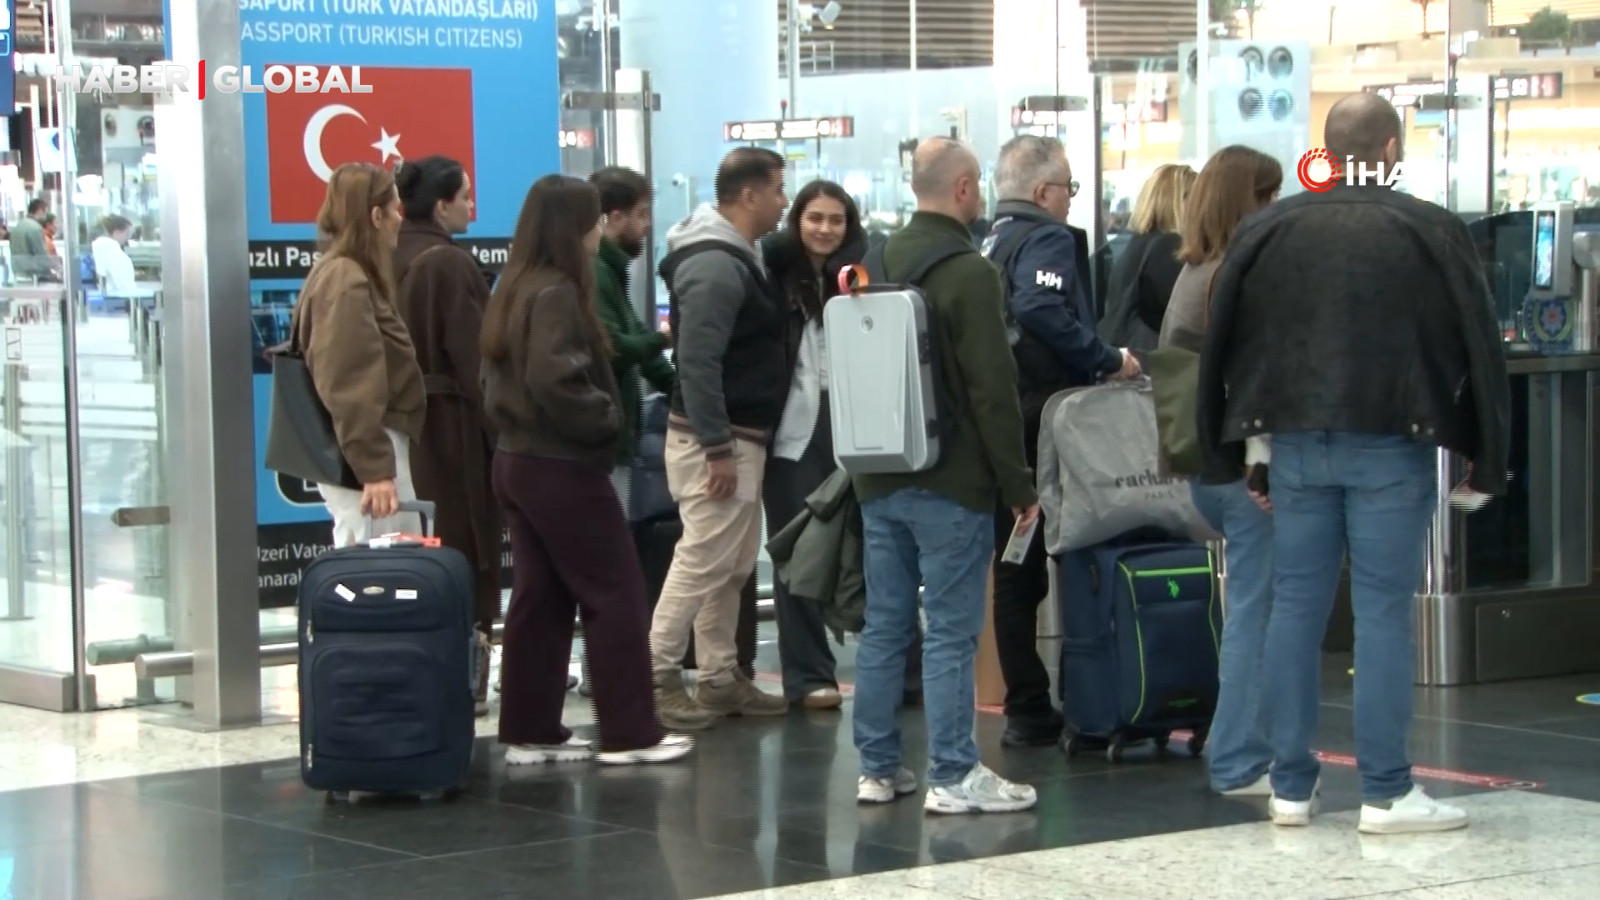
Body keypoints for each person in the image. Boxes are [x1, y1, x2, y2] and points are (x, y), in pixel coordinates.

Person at [1199, 94, 1510, 833]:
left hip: (1296, 446)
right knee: (1381, 617)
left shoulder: (1268, 228)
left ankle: (1290, 787)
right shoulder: (1430, 228)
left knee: (1294, 611)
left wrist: (1243, 452)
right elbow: (1477, 343)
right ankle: (1387, 791)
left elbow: (1231, 344)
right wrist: (1487, 456)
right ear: (1391, 149)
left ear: (1327, 151)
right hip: (1394, 442)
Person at [852, 136, 1039, 814]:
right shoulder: (969, 273)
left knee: (885, 626)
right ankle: (954, 772)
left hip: (878, 474)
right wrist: (1018, 485)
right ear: (962, 187)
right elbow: (993, 390)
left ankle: (877, 768)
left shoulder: (872, 262)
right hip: (952, 482)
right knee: (953, 631)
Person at [481, 174, 691, 766]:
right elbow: (557, 378)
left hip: (518, 458)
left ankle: (530, 728)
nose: (600, 230)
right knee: (616, 591)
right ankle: (630, 732)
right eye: (594, 220)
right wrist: (606, 417)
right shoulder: (557, 292)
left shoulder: (514, 285)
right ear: (574, 227)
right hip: (562, 463)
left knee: (540, 597)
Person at [981, 134, 1139, 748]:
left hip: (1006, 419)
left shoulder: (992, 239)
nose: (1071, 197)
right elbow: (1041, 307)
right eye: (1068, 186)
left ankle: (1027, 707)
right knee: (1077, 551)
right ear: (1043, 191)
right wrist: (1105, 358)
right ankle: (1088, 694)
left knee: (1015, 564)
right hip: (1050, 419)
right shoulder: (1046, 237)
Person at [649, 148, 792, 726]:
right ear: (750, 195)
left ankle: (718, 677)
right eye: (778, 190)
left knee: (730, 565)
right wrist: (716, 448)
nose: (784, 201)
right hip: (718, 441)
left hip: (737, 436)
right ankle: (655, 673)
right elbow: (698, 363)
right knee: (703, 559)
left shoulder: (738, 256)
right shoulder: (715, 266)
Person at [1156, 145, 1282, 797]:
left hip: (1202, 464)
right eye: (1270, 196)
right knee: (1256, 613)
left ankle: (1241, 749)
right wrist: (1263, 466)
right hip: (1241, 469)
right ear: (1248, 201)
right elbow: (1256, 377)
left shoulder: (1192, 271)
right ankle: (1239, 759)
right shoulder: (1237, 276)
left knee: (1251, 609)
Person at [392, 155, 503, 716]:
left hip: (400, 426)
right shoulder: (450, 264)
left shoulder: (383, 253)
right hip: (450, 427)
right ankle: (466, 678)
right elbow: (475, 360)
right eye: (466, 196)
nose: (472, 207)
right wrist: (503, 428)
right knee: (465, 550)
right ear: (442, 205)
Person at [293, 162, 425, 546]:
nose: (401, 219)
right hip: (368, 456)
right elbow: (349, 380)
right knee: (387, 565)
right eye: (395, 209)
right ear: (376, 216)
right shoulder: (345, 278)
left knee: (379, 560)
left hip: (365, 452)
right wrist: (375, 468)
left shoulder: (341, 272)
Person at [589, 166, 676, 511]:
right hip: (601, 438)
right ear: (614, 218)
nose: (647, 225)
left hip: (614, 435)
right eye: (641, 214)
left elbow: (639, 341)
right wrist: (664, 339)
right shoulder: (596, 272)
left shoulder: (612, 271)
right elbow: (614, 347)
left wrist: (683, 393)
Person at [1100, 163, 1195, 349]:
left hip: (1124, 347)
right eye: (1197, 199)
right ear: (1180, 202)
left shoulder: (1138, 242)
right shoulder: (1168, 246)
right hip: (1150, 355)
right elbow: (1182, 314)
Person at [91, 215, 138, 296]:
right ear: (116, 232)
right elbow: (124, 284)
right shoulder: (114, 254)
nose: (127, 238)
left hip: (106, 295)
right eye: (127, 233)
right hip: (117, 297)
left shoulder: (101, 249)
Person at [9, 200, 54, 282]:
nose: (45, 217)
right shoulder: (36, 228)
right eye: (45, 213)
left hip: (19, 274)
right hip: (34, 276)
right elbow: (41, 254)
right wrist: (51, 271)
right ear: (40, 211)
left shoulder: (17, 227)